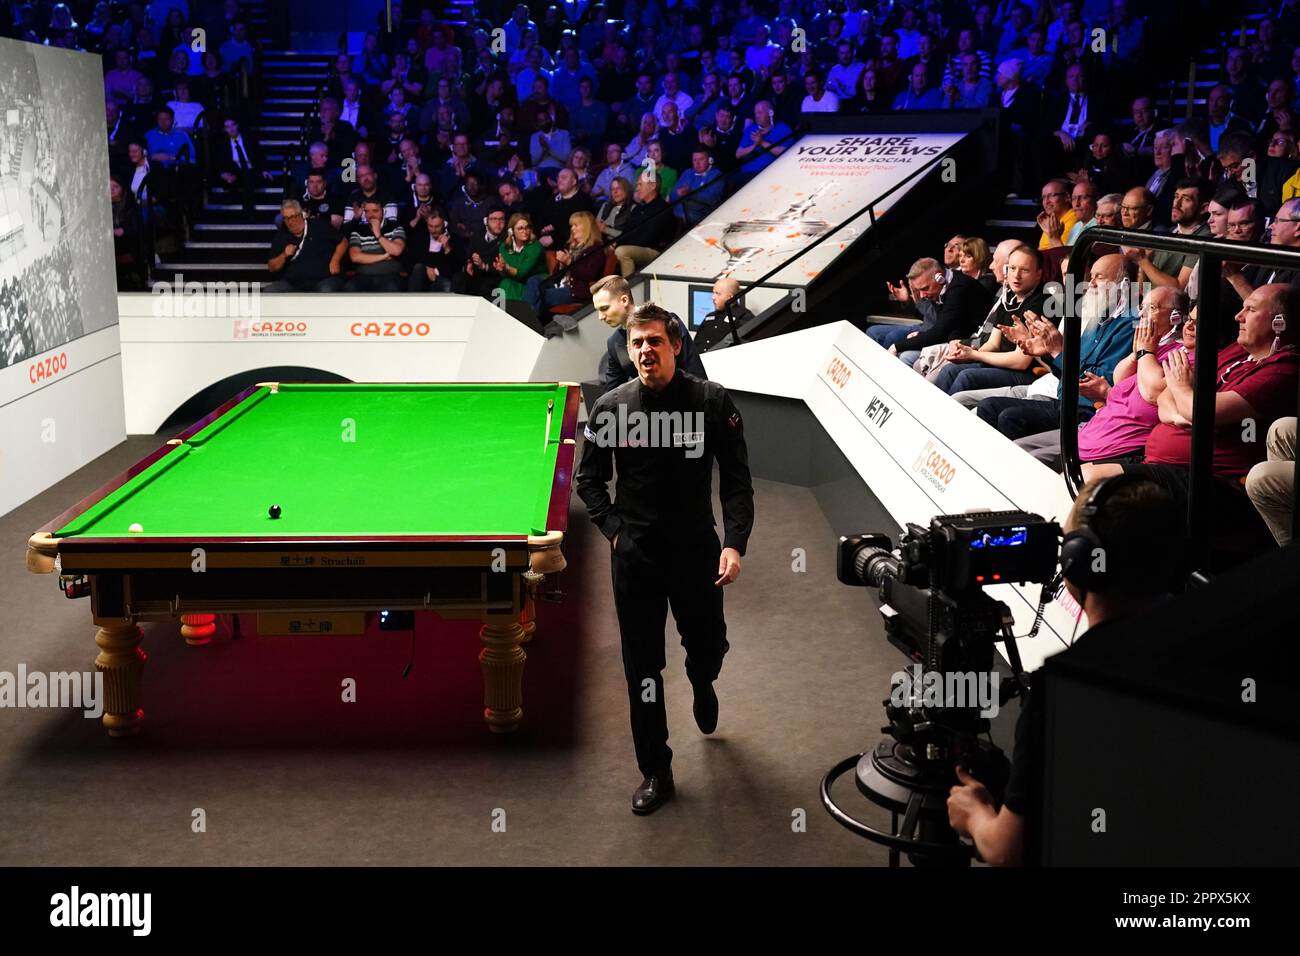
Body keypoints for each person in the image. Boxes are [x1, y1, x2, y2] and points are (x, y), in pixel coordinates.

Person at [947, 475, 1186, 866]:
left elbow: (1006, 850)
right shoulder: (1206, 635)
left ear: (1077, 561)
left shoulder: (1062, 689)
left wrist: (974, 815)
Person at [576, 301, 753, 814]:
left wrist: (734, 543)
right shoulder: (611, 407)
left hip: (698, 551)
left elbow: (738, 484)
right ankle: (657, 769)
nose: (646, 350)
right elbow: (588, 479)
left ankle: (703, 678)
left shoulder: (712, 402)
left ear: (675, 345)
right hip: (636, 557)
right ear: (628, 352)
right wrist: (613, 531)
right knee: (643, 671)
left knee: (709, 645)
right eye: (637, 344)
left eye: (655, 341)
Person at [590, 275, 707, 394]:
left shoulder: (668, 322)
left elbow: (695, 373)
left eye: (604, 308)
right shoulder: (614, 342)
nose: (601, 317)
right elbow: (612, 394)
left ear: (624, 300)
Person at [265, 199, 347, 292]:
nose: (290, 222)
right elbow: (272, 267)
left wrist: (335, 260)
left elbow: (343, 241)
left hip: (323, 279)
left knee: (326, 289)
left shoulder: (319, 226)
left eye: (293, 217)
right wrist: (284, 255)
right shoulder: (281, 236)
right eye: (286, 218)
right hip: (293, 283)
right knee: (270, 291)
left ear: (301, 215)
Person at [346, 199, 407, 292]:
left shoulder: (395, 227)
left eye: (375, 211)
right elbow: (355, 257)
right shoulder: (358, 231)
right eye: (367, 211)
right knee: (349, 288)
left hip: (389, 276)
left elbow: (396, 251)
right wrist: (384, 256)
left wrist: (378, 234)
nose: (370, 215)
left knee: (392, 288)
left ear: (383, 211)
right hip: (363, 277)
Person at [495, 213, 548, 303]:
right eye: (520, 228)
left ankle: (518, 314)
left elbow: (522, 272)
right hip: (515, 281)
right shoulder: (504, 247)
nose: (525, 231)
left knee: (509, 285)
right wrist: (502, 269)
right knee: (505, 283)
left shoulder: (535, 247)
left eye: (527, 227)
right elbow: (505, 274)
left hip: (534, 281)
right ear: (511, 231)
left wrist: (506, 268)